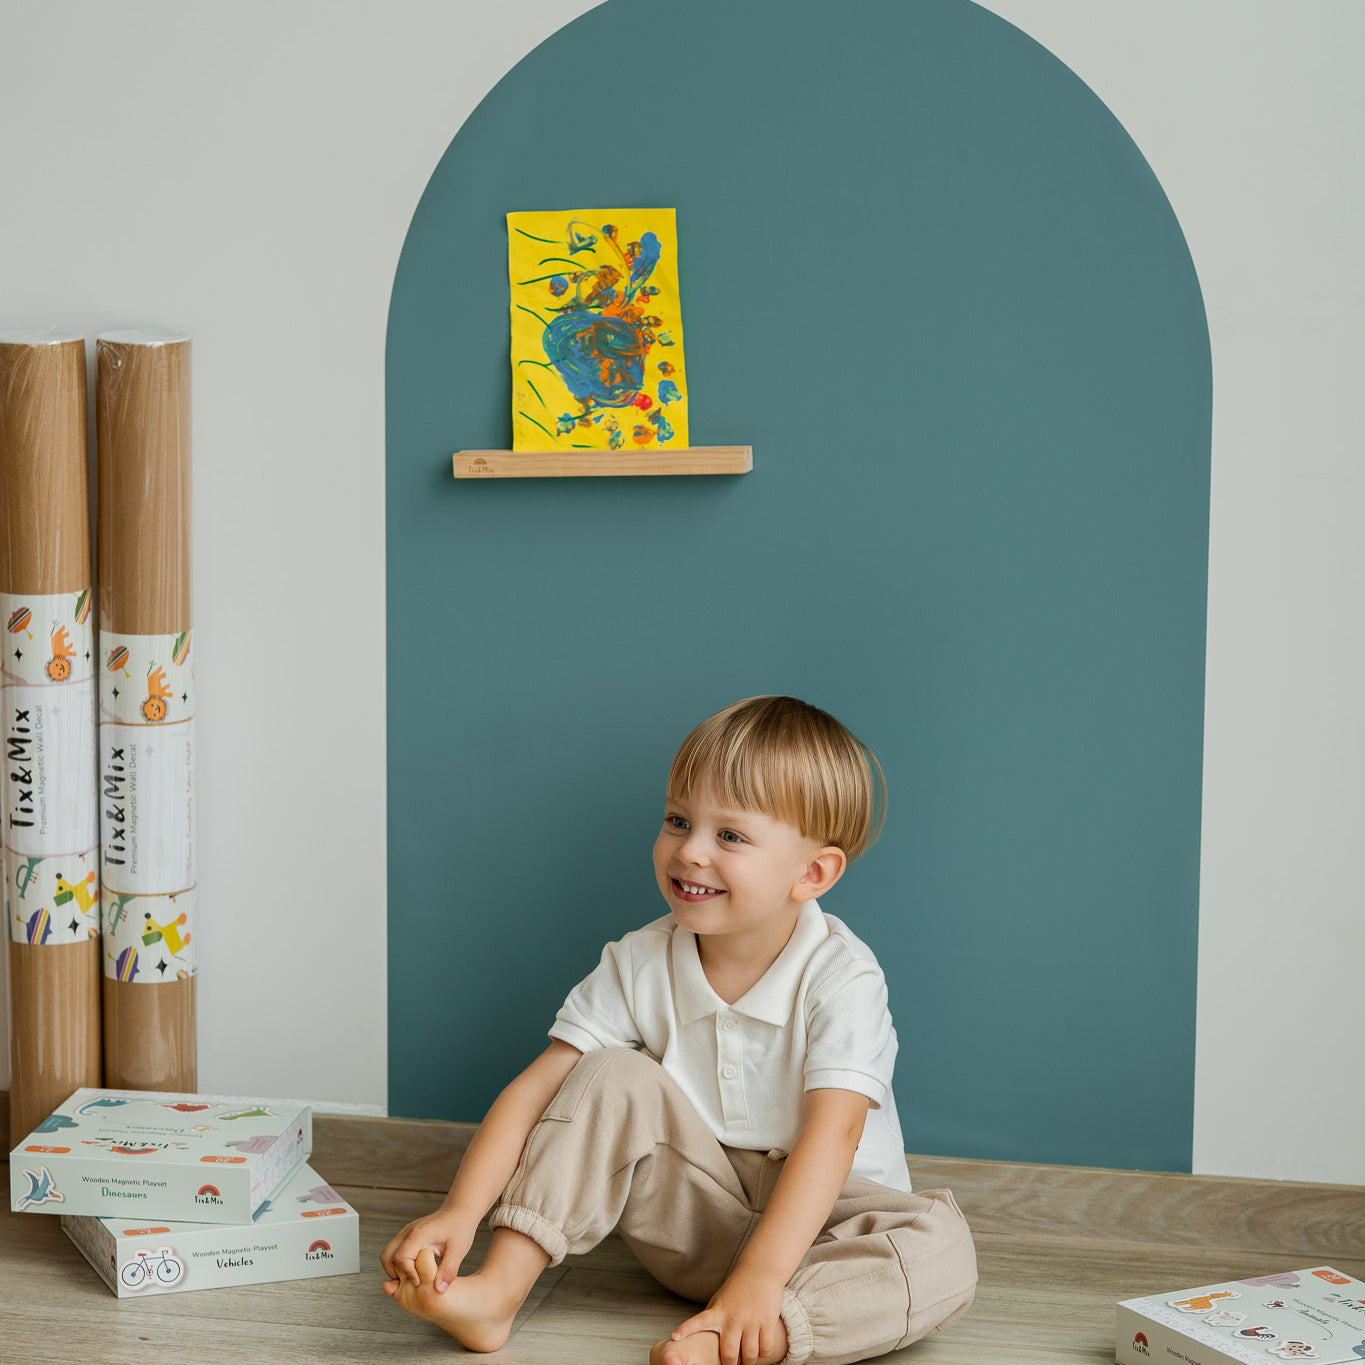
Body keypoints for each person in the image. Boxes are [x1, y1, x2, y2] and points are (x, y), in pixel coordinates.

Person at [380, 695, 976, 1365]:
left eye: (730, 836)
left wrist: (761, 1278)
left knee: (942, 1247)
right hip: (700, 1224)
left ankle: (750, 1334)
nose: (689, 850)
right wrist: (459, 1211)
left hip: (830, 1232)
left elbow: (832, 1135)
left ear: (811, 873)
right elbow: (532, 1094)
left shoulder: (843, 976)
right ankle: (498, 1291)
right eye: (678, 820)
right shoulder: (639, 959)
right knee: (608, 1071)